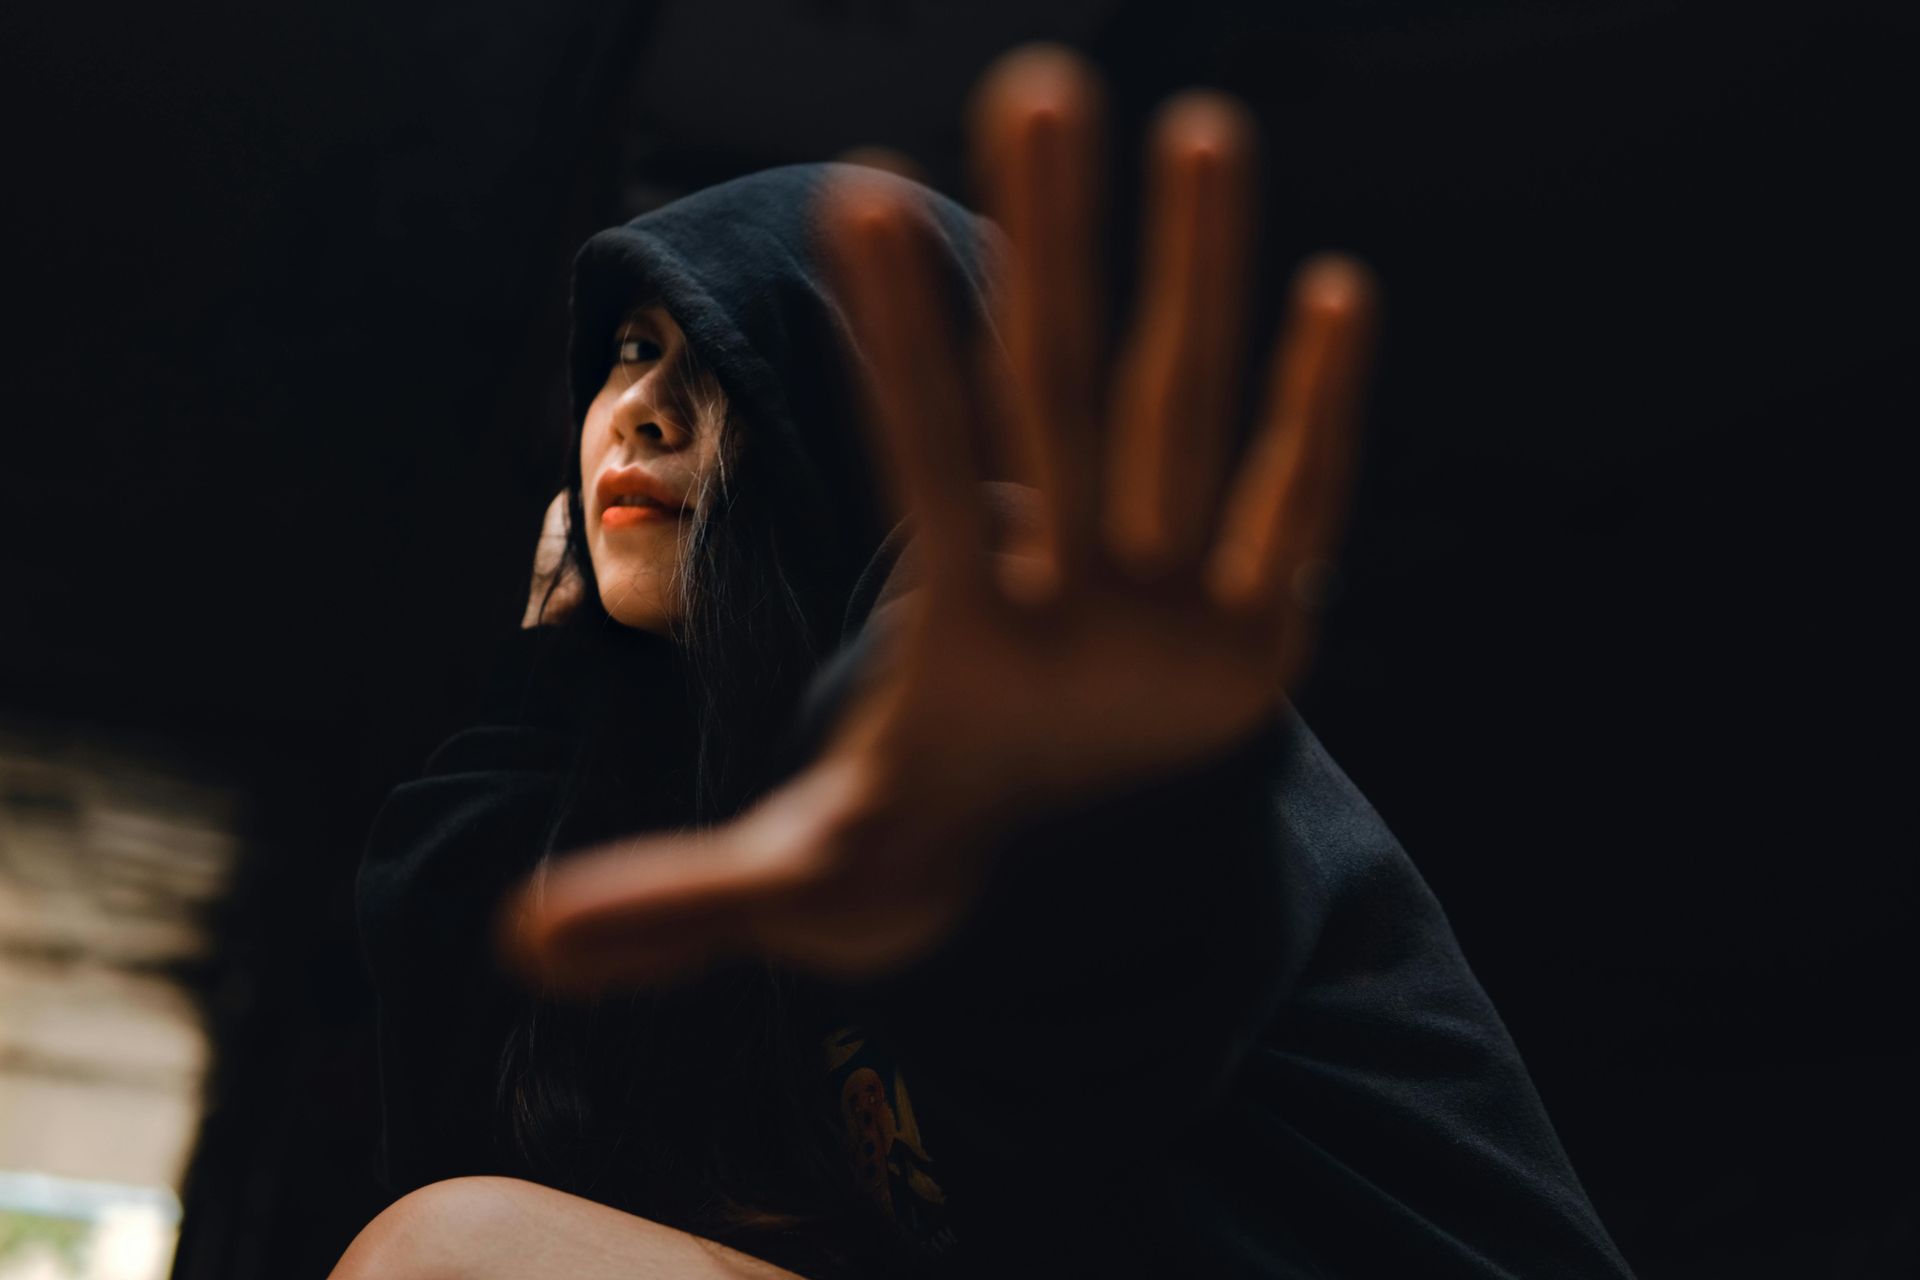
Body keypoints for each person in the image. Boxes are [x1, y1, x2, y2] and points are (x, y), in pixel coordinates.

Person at [342, 46, 1634, 1280]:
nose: (640, 407)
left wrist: (1038, 835)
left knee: (454, 1259)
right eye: (628, 350)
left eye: (726, 349)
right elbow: (465, 1097)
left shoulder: (964, 664)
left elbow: (1112, 999)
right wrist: (543, 673)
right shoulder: (735, 834)